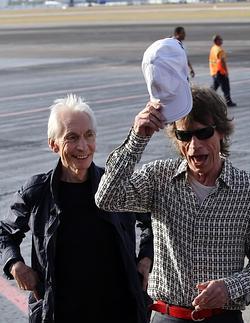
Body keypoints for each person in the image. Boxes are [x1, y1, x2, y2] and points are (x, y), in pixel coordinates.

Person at [95, 86, 250, 323]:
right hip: (168, 316)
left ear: (221, 132)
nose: (194, 145)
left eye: (203, 134)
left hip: (222, 318)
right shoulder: (158, 178)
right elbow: (107, 197)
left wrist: (231, 287)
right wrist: (137, 138)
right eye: (184, 136)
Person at [0, 94, 153, 323]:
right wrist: (15, 264)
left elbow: (152, 221)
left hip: (118, 310)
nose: (83, 146)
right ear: (54, 145)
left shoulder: (115, 186)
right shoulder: (37, 192)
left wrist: (146, 257)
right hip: (60, 312)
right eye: (72, 137)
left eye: (88, 135)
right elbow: (4, 232)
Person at [209, 34, 236, 107]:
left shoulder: (213, 48)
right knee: (226, 87)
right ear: (216, 41)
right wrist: (225, 71)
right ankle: (228, 101)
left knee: (214, 88)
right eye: (220, 39)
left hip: (214, 71)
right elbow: (221, 61)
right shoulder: (219, 50)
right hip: (220, 71)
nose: (222, 41)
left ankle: (207, 99)